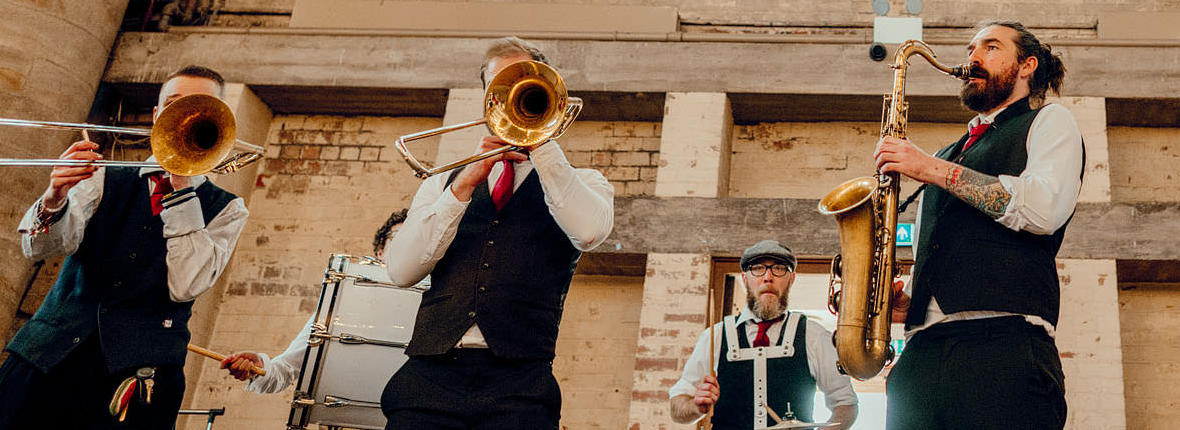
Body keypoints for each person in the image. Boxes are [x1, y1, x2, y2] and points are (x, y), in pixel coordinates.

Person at [0, 66, 251, 430]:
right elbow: (39, 249)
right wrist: (54, 196)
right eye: (173, 105)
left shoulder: (228, 208)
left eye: (199, 107)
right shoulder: (105, 177)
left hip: (140, 379)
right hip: (47, 358)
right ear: (156, 116)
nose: (184, 116)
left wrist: (183, 188)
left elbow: (186, 286)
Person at [378, 36, 615, 429]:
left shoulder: (583, 181)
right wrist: (463, 185)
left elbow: (589, 233)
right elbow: (401, 271)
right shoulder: (444, 183)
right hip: (428, 379)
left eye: (522, 82)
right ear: (488, 98)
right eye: (498, 85)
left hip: (521, 386)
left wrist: (542, 146)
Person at [872, 20, 1084, 430]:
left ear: (1027, 66)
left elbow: (1042, 210)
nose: (973, 57)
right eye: (971, 49)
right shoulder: (950, 151)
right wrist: (912, 298)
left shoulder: (1049, 121)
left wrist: (930, 167)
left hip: (1002, 349)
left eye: (990, 47)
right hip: (922, 357)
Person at [668, 239, 858, 429]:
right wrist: (695, 406)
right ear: (745, 279)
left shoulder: (814, 335)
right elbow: (677, 408)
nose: (768, 277)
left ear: (791, 279)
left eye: (779, 268)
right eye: (758, 268)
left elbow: (846, 404)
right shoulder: (714, 337)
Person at [219, 208, 410, 394]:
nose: (408, 244)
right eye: (399, 236)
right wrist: (260, 367)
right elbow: (286, 369)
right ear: (379, 252)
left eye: (415, 238)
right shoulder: (341, 305)